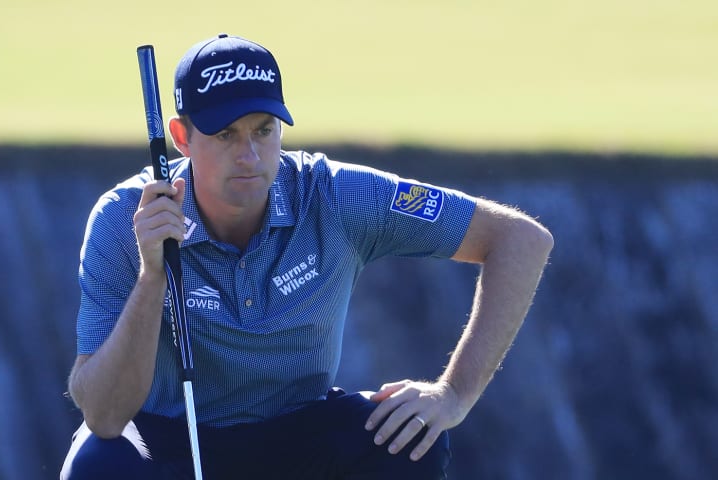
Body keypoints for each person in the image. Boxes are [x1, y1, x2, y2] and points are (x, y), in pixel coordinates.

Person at [60, 33, 553, 479]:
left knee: (411, 440)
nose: (249, 156)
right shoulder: (125, 218)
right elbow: (103, 414)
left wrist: (454, 393)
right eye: (225, 135)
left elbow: (520, 240)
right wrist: (152, 278)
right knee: (98, 464)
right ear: (183, 137)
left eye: (263, 130)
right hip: (173, 441)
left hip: (299, 436)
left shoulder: (338, 195)